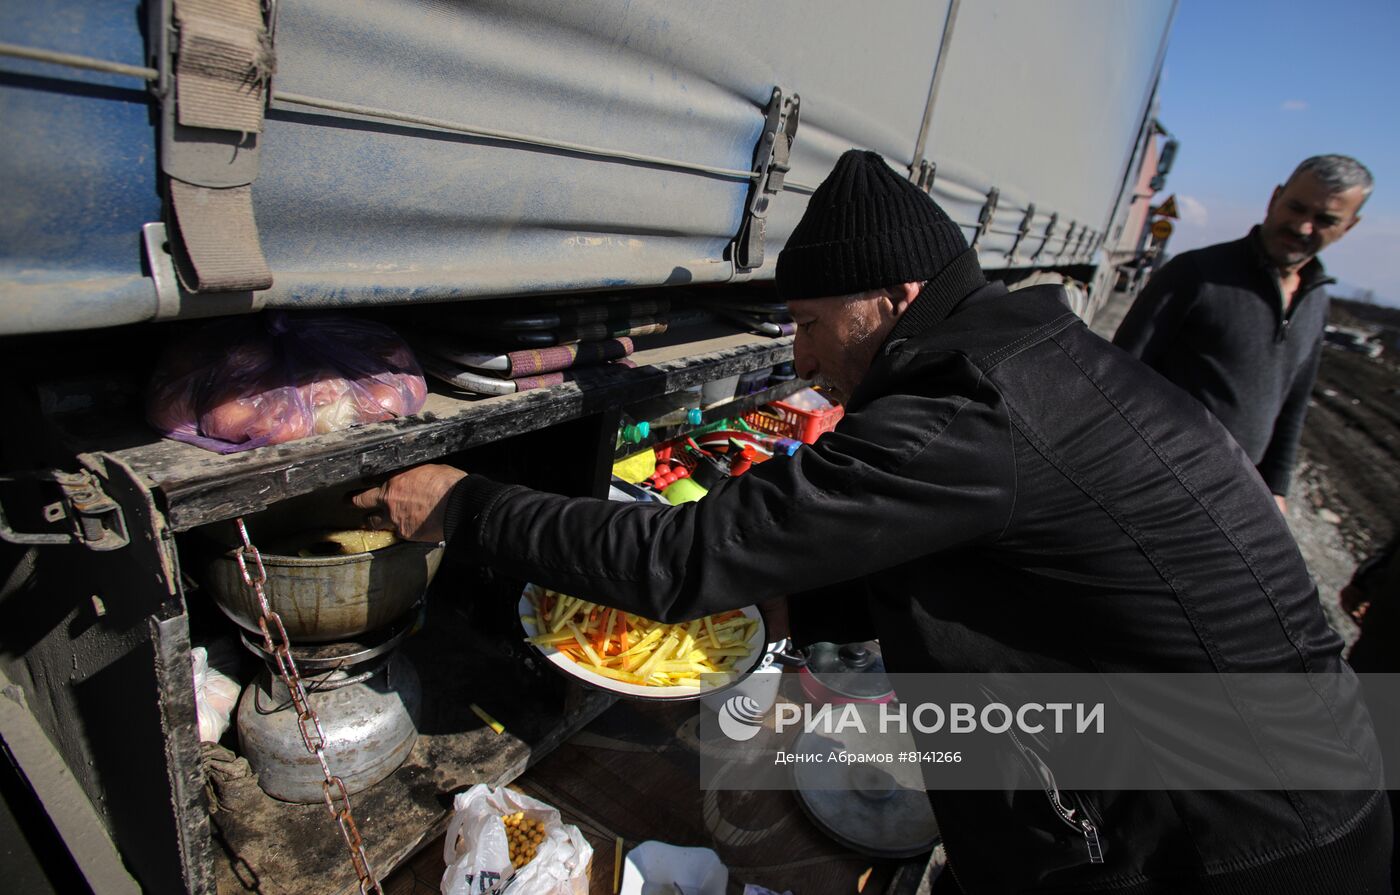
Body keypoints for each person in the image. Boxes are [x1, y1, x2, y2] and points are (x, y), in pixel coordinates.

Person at [355, 150, 1390, 893]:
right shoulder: (1030, 358)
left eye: (810, 324)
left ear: (893, 299)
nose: (800, 358)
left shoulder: (965, 411)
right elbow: (978, 556)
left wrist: (463, 502)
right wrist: (804, 603)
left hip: (1240, 834)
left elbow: (681, 556)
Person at [1113, 155, 1372, 513]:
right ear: (1275, 198)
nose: (1302, 227)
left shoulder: (1316, 302)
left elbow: (1294, 402)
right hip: (1151, 482)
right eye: (1296, 207)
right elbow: (1117, 375)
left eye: (1325, 220)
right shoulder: (1195, 273)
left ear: (1349, 227)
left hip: (1231, 498)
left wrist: (1276, 488)